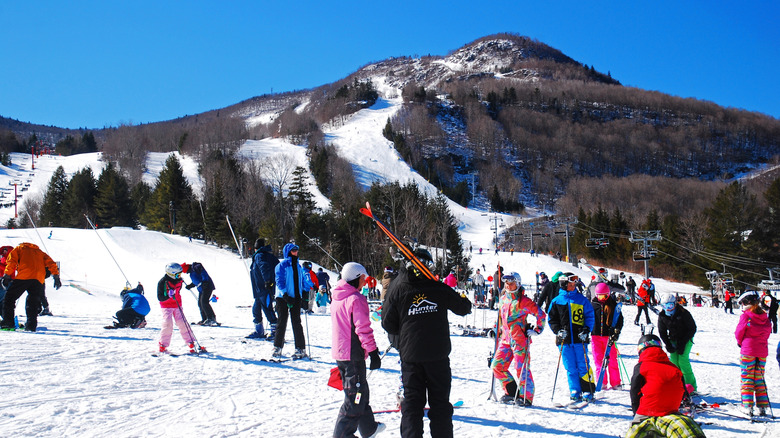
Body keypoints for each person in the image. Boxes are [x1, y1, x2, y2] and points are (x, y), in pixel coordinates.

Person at [382, 248, 472, 438]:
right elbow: (463, 307)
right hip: (435, 356)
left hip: (412, 356)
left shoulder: (400, 288)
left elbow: (388, 323)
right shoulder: (436, 287)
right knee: (438, 405)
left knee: (413, 406)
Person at [331, 262, 385, 438]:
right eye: (363, 278)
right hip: (352, 355)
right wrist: (373, 352)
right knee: (355, 398)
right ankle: (342, 435)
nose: (365, 282)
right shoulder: (356, 299)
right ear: (357, 278)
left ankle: (368, 428)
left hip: (341, 354)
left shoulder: (338, 297)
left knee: (360, 392)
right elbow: (362, 329)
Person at [625, 335, 706, 438]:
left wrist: (636, 413)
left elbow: (634, 392)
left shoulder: (641, 366)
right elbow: (682, 389)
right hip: (671, 410)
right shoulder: (673, 367)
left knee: (635, 430)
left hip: (647, 411)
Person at [491, 272, 546, 405]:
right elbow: (500, 318)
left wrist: (537, 330)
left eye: (512, 283)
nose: (509, 286)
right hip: (505, 339)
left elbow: (541, 315)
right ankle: (511, 392)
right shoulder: (503, 299)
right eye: (507, 283)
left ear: (518, 283)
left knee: (521, 368)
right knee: (497, 366)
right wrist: (495, 330)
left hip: (519, 340)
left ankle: (526, 397)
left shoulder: (523, 301)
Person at [548, 272, 596, 402]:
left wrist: (587, 330)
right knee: (570, 366)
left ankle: (588, 388)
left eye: (574, 284)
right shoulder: (557, 301)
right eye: (570, 284)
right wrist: (557, 331)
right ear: (563, 284)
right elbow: (552, 319)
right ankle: (574, 389)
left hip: (579, 338)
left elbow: (590, 316)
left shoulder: (581, 300)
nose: (572, 286)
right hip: (564, 340)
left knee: (583, 364)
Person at [0, 242, 61, 331]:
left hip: (24, 275)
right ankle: (31, 326)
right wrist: (56, 276)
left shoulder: (19, 249)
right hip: (38, 279)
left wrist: (7, 275)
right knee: (33, 302)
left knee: (9, 298)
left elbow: (11, 261)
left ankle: (8, 324)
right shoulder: (40, 252)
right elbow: (51, 263)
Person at [735, 290, 772, 417]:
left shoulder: (746, 315)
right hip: (761, 352)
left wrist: (740, 342)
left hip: (748, 351)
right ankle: (762, 407)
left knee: (747, 378)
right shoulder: (763, 315)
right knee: (759, 379)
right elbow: (768, 331)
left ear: (746, 302)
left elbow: (739, 332)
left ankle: (747, 406)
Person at [273, 243, 313, 359]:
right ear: (288, 252)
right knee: (282, 322)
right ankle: (277, 347)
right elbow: (279, 280)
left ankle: (300, 348)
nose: (296, 252)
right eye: (293, 250)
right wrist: (285, 294)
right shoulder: (282, 265)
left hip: (296, 297)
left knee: (297, 322)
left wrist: (305, 291)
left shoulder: (298, 266)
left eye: (296, 250)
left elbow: (302, 281)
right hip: (283, 297)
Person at [658, 293, 698, 393]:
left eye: (670, 305)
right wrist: (668, 344)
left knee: (683, 362)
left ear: (675, 304)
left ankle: (691, 388)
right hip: (673, 339)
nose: (668, 308)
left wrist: (683, 343)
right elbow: (662, 332)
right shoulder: (663, 316)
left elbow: (692, 328)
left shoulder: (683, 313)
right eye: (665, 306)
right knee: (674, 363)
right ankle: (677, 385)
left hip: (686, 338)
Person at [157, 263, 198, 354]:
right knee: (168, 323)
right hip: (166, 305)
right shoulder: (162, 282)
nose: (179, 276)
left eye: (180, 274)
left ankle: (190, 341)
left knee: (182, 323)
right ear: (171, 274)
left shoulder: (179, 281)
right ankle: (163, 344)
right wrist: (168, 296)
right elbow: (160, 297)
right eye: (177, 274)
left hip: (177, 304)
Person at [591, 283, 624, 390]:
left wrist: (616, 330)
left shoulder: (612, 304)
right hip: (595, 336)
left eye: (605, 296)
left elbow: (619, 320)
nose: (602, 299)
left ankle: (615, 382)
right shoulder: (593, 305)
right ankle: (602, 381)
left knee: (612, 360)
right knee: (598, 360)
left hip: (608, 337)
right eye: (600, 296)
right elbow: (588, 319)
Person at [248, 239, 279, 339]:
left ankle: (276, 331)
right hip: (259, 289)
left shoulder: (259, 255)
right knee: (256, 309)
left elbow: (264, 267)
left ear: (256, 248)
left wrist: (267, 281)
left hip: (263, 288)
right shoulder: (267, 255)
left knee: (267, 308)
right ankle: (259, 330)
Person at [181, 262, 218, 326]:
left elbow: (204, 273)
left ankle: (211, 318)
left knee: (204, 302)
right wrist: (191, 285)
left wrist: (205, 282)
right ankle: (205, 318)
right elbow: (197, 280)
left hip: (207, 287)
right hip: (202, 289)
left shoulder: (196, 268)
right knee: (200, 303)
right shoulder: (192, 272)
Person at [0, 245, 14, 309]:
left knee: (3, 297)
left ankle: (5, 314)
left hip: (7, 279)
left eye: (5, 251)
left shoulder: (11, 259)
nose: (4, 252)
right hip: (2, 278)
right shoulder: (3, 258)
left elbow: (9, 269)